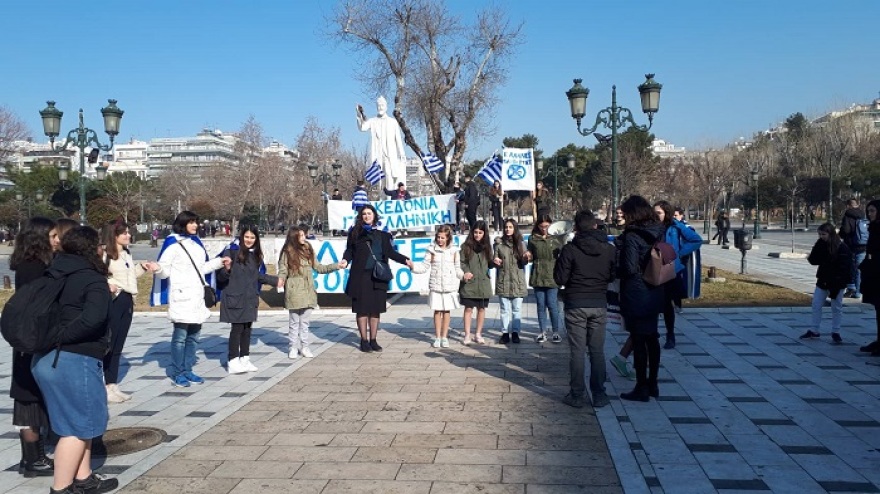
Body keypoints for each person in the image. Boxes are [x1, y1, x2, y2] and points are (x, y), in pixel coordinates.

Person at [30, 226, 119, 494]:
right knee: (77, 429)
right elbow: (93, 320)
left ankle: (84, 478)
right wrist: (61, 337)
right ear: (91, 248)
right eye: (99, 245)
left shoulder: (54, 272)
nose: (102, 249)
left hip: (45, 359)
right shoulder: (92, 279)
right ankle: (61, 488)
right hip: (74, 359)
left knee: (80, 422)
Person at [152, 211, 231, 387]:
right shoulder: (173, 244)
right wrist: (157, 268)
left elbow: (202, 268)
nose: (195, 225)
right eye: (191, 222)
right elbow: (164, 271)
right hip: (181, 296)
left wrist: (219, 262)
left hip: (197, 297)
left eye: (196, 222)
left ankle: (188, 369)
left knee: (194, 337)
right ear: (182, 224)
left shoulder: (196, 243)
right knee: (180, 337)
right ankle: (177, 372)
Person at [554, 210, 616, 408]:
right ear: (595, 226)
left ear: (576, 228)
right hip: (598, 302)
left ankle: (577, 395)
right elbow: (612, 275)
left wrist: (559, 260)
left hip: (575, 303)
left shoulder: (570, 249)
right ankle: (599, 394)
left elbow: (560, 279)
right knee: (597, 351)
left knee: (577, 351)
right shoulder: (609, 249)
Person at [8, 217, 56, 477]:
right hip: (31, 338)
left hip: (27, 338)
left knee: (30, 396)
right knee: (28, 398)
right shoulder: (34, 268)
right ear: (39, 238)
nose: (56, 240)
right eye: (52, 236)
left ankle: (31, 458)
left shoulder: (27, 264)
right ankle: (33, 459)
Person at [101, 220, 159, 403]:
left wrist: (142, 267)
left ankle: (112, 384)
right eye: (124, 233)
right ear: (114, 235)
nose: (128, 235)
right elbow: (98, 276)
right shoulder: (105, 254)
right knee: (109, 344)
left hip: (128, 300)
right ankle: (104, 385)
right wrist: (109, 285)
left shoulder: (126, 253)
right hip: (114, 301)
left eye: (128, 232)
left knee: (118, 345)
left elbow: (129, 276)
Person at [343, 204, 413, 352]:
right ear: (360, 217)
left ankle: (373, 340)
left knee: (375, 309)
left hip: (378, 276)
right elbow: (349, 250)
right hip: (361, 276)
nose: (367, 216)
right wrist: (345, 260)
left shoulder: (383, 235)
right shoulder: (355, 233)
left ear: (374, 216)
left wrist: (405, 260)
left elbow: (391, 253)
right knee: (362, 309)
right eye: (364, 214)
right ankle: (364, 340)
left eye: (369, 213)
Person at [617, 195, 666, 402]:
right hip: (655, 288)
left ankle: (641, 387)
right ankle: (653, 383)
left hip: (637, 292)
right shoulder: (658, 230)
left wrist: (617, 267)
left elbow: (629, 268)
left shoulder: (632, 235)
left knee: (638, 340)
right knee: (652, 338)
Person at [217, 225, 280, 375]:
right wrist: (227, 269)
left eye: (252, 237)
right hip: (235, 297)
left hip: (249, 297)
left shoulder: (254, 255)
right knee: (237, 329)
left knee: (247, 329)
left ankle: (244, 358)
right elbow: (220, 277)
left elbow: (257, 276)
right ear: (241, 236)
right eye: (246, 237)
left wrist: (275, 281)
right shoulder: (231, 251)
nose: (249, 240)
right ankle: (233, 360)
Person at [278, 225, 344, 359]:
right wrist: (281, 279)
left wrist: (337, 266)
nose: (304, 237)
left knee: (305, 322)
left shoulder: (308, 248)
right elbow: (283, 269)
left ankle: (305, 346)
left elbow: (319, 267)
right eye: (301, 235)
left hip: (308, 290)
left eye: (304, 235)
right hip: (294, 290)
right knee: (294, 321)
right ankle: (293, 347)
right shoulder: (287, 251)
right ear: (294, 237)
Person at [654, 200, 703, 349]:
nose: (655, 215)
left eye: (659, 213)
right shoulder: (651, 226)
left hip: (670, 270)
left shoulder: (675, 226)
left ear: (667, 213)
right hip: (653, 269)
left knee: (667, 304)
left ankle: (670, 334)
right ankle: (652, 332)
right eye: (654, 212)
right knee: (652, 303)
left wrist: (679, 253)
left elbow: (696, 240)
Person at [411, 225, 464, 348]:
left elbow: (457, 269)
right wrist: (412, 267)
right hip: (436, 285)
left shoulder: (454, 251)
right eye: (438, 237)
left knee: (446, 311)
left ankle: (444, 337)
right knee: (437, 310)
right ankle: (437, 337)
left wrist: (464, 276)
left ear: (448, 238)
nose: (440, 240)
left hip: (449, 285)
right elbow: (424, 267)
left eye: (442, 238)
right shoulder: (431, 250)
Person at [801, 223, 852, 343]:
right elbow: (813, 260)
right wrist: (816, 248)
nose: (821, 237)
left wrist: (843, 283)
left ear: (831, 233)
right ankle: (814, 330)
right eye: (819, 234)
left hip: (837, 282)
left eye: (823, 234)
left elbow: (845, 267)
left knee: (836, 307)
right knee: (816, 304)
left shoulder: (842, 247)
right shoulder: (821, 244)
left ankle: (836, 331)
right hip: (823, 280)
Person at [356, 95, 407, 190]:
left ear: (386, 107)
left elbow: (398, 139)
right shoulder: (373, 121)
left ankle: (389, 196)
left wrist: (402, 153)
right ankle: (382, 196)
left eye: (382, 105)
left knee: (389, 175)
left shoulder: (392, 122)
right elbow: (362, 127)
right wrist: (359, 115)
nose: (380, 107)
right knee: (380, 180)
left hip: (389, 156)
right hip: (378, 155)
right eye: (378, 106)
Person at [494, 218, 531, 344]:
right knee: (504, 309)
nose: (507, 229)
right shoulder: (499, 244)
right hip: (503, 280)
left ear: (515, 228)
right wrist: (496, 261)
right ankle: (505, 333)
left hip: (517, 281)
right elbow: (495, 259)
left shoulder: (521, 243)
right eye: (506, 227)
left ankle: (515, 332)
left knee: (516, 309)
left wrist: (526, 258)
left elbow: (525, 262)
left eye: (510, 227)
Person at [529, 214, 562, 343]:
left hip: (552, 275)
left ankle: (555, 332)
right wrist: (528, 256)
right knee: (540, 305)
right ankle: (542, 332)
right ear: (538, 226)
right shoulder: (532, 239)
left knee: (552, 305)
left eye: (547, 226)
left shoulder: (556, 238)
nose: (544, 229)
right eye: (541, 226)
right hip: (538, 275)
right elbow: (531, 255)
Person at [459, 220, 494, 345]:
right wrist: (466, 271)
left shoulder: (487, 247)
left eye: (480, 233)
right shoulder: (465, 246)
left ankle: (478, 334)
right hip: (469, 283)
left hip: (483, 284)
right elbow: (461, 262)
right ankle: (467, 334)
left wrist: (495, 262)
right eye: (475, 232)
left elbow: (490, 263)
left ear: (484, 234)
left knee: (481, 309)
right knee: (468, 309)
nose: (477, 235)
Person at [858, 200, 880, 356]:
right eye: (869, 211)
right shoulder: (874, 227)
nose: (870, 214)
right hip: (873, 271)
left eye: (873, 211)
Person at [840, 198, 867, 299]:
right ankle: (858, 292)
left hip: (851, 245)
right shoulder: (863, 214)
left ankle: (851, 288)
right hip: (863, 245)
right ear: (857, 204)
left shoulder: (847, 215)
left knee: (849, 267)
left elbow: (846, 230)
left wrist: (840, 233)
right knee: (859, 268)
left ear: (848, 205)